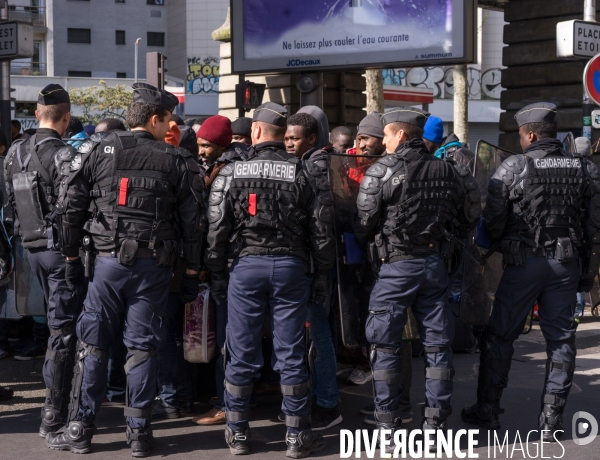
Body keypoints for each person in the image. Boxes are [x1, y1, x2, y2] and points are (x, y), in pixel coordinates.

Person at [45, 83, 207, 457]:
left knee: (93, 345)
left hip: (105, 264)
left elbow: (70, 206)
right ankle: (139, 433)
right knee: (142, 348)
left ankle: (80, 429)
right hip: (154, 268)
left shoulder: (95, 149)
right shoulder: (177, 160)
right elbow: (193, 223)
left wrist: (70, 254)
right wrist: (192, 271)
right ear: (154, 119)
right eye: (166, 121)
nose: (169, 129)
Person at [461, 103, 600, 442]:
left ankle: (488, 411)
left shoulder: (512, 168)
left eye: (521, 135)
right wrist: (587, 274)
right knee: (562, 341)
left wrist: (489, 254)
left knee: (500, 337)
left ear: (532, 134)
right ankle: (551, 423)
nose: (521, 141)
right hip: (565, 266)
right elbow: (594, 229)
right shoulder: (585, 170)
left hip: (522, 264)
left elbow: (492, 222)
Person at [206, 101, 335, 457]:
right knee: (291, 351)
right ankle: (296, 435)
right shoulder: (305, 172)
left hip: (246, 269)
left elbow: (216, 230)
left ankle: (238, 433)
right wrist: (321, 275)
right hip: (291, 268)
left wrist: (217, 275)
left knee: (241, 351)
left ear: (257, 132)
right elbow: (322, 232)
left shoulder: (233, 172)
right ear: (282, 135)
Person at [354, 107, 481, 452]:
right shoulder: (450, 169)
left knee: (385, 345)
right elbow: (471, 214)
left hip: (395, 267)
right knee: (438, 345)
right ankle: (436, 423)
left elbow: (363, 222)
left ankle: (387, 423)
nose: (383, 141)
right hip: (434, 265)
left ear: (399, 134)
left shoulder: (383, 169)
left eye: (386, 135)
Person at [4, 84, 85, 438]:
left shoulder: (13, 153)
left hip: (28, 249)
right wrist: (72, 253)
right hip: (59, 252)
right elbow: (73, 210)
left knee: (56, 330)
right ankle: (55, 414)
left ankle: (56, 406)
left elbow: (8, 205)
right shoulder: (66, 155)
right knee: (63, 333)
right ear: (65, 119)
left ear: (37, 114)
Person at [193, 115, 249, 427]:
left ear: (221, 144)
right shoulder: (235, 165)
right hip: (238, 262)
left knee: (227, 339)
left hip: (226, 266)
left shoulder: (224, 172)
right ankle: (231, 397)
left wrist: (207, 266)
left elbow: (214, 225)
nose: (200, 151)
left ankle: (228, 403)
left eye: (205, 145)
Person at [289, 105, 343, 431]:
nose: (289, 143)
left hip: (317, 265)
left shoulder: (317, 166)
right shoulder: (326, 161)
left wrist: (320, 273)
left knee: (319, 337)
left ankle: (327, 403)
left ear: (314, 135)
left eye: (296, 137)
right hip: (323, 262)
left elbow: (321, 225)